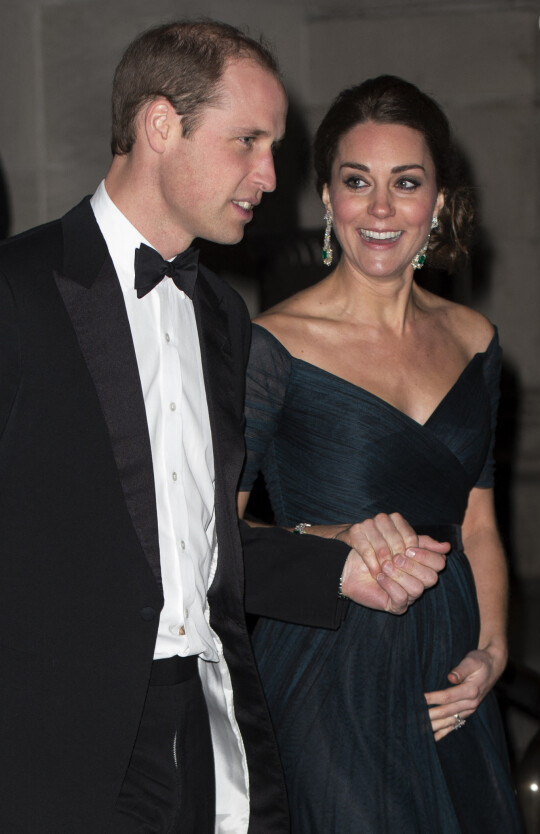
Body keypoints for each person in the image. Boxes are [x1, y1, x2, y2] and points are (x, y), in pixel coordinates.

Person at [0, 24, 451, 834]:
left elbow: (196, 538)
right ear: (160, 126)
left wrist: (337, 572)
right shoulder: (19, 289)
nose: (270, 177)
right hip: (59, 744)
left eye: (273, 147)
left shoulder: (222, 317)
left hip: (207, 723)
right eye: (247, 140)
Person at [238, 74, 523, 832]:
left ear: (439, 200)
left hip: (450, 679)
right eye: (356, 182)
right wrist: (329, 542)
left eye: (407, 183)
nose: (382, 209)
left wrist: (492, 654)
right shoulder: (271, 347)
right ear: (327, 198)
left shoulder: (475, 340)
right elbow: (211, 539)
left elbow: (482, 524)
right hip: (329, 666)